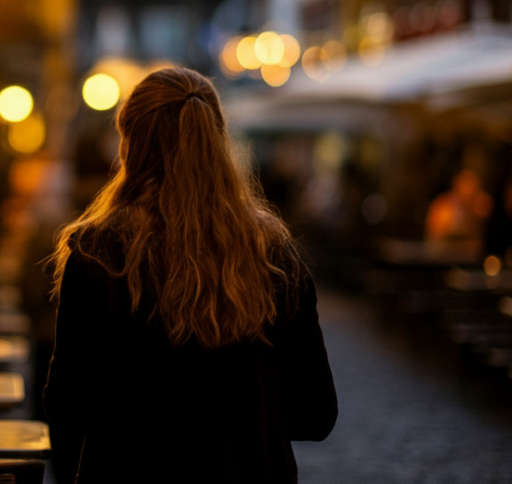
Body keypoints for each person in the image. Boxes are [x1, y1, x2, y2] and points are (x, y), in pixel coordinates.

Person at [44, 67, 336, 483]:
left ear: (129, 145)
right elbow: (315, 414)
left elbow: (67, 404)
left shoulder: (99, 252)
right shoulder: (273, 255)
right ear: (218, 141)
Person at [425, 169, 493, 243]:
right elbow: (437, 233)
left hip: (473, 251)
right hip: (446, 251)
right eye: (466, 183)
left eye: (473, 184)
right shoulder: (443, 205)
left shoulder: (481, 204)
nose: (469, 189)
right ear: (457, 184)